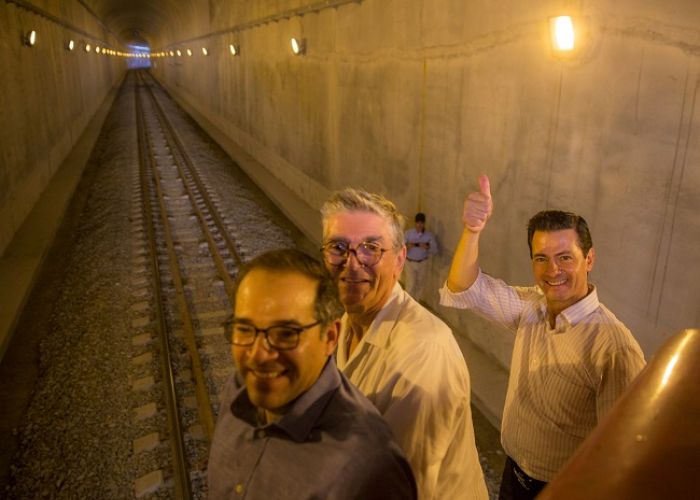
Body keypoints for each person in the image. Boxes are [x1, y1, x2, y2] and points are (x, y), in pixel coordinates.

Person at [440, 174, 646, 500]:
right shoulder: (532, 307)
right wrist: (472, 231)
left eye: (565, 257)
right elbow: (465, 287)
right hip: (514, 477)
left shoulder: (613, 346)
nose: (553, 271)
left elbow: (619, 452)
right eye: (541, 258)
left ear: (589, 259)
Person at [208, 249, 416, 500]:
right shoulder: (239, 389)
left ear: (330, 337)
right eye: (244, 329)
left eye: (286, 334)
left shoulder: (369, 468)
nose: (258, 356)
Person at [320, 188, 488, 500]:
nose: (352, 263)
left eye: (371, 247)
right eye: (338, 247)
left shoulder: (423, 353)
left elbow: (392, 489)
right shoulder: (344, 326)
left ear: (400, 260)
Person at [403, 212, 439, 300]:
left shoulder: (429, 235)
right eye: (418, 222)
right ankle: (407, 305)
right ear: (415, 223)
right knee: (410, 284)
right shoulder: (408, 233)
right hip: (410, 262)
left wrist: (427, 247)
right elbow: (399, 248)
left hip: (423, 263)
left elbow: (435, 251)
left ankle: (416, 304)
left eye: (421, 223)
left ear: (424, 223)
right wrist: (407, 246)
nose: (419, 225)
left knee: (420, 284)